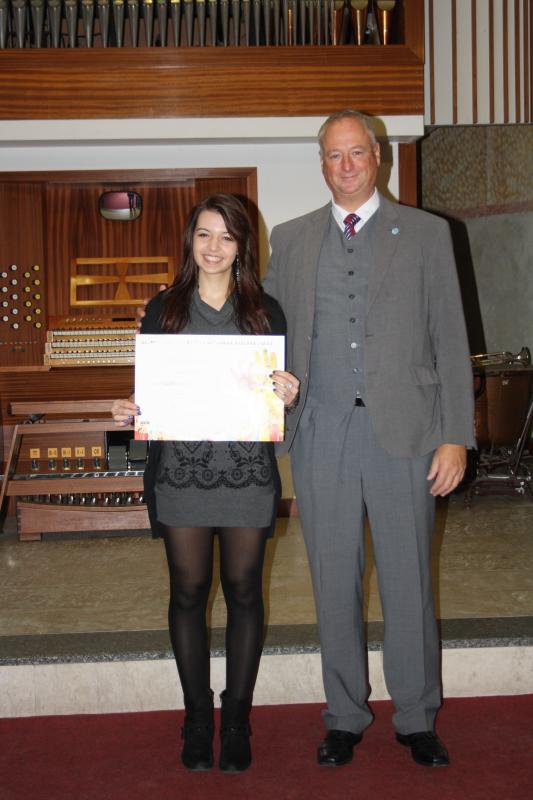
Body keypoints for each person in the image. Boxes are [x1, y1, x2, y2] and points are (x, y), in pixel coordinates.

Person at [261, 110, 475, 768]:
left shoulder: (427, 233)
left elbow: (450, 336)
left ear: (378, 157)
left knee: (408, 579)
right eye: (334, 155)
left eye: (357, 153)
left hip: (406, 434)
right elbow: (261, 329)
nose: (346, 165)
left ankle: (416, 716)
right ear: (321, 164)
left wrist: (455, 436)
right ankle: (344, 715)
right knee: (333, 581)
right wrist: (178, 317)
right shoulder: (291, 239)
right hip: (321, 430)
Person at [112, 194, 299, 774]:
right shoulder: (163, 310)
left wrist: (290, 393)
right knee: (188, 594)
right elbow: (150, 394)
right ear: (190, 241)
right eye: (204, 234)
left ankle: (236, 719)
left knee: (244, 593)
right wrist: (129, 410)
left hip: (246, 474)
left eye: (227, 236)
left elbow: (277, 399)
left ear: (243, 246)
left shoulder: (265, 313)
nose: (214, 247)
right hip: (181, 473)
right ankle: (196, 718)